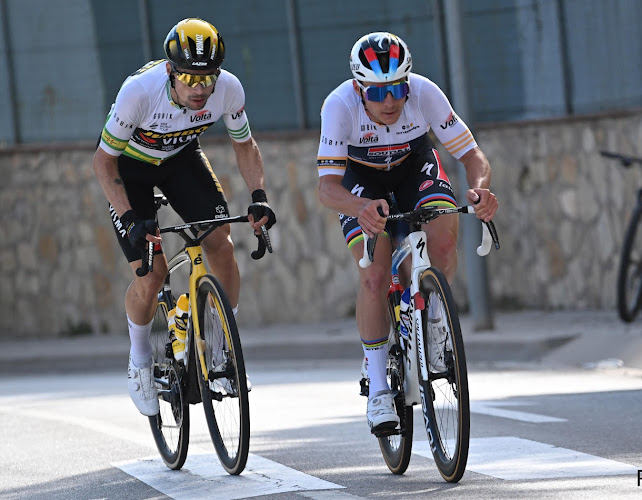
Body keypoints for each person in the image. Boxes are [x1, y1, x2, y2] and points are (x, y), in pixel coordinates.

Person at [316, 32, 498, 434]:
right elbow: (327, 188)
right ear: (359, 87)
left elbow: (470, 154)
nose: (390, 101)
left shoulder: (425, 94)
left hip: (414, 168)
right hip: (360, 181)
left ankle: (434, 323)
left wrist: (480, 187)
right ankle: (379, 386)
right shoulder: (339, 106)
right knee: (375, 275)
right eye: (378, 92)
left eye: (398, 88)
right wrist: (359, 207)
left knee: (445, 236)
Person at [93, 18, 276, 416]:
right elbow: (103, 163)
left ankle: (224, 351)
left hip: (180, 161)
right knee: (151, 274)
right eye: (190, 79)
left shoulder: (228, 89)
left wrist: (258, 196)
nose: (200, 89)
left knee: (221, 243)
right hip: (130, 169)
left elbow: (245, 146)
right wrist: (128, 218)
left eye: (207, 78)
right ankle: (140, 360)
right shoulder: (139, 93)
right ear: (170, 71)